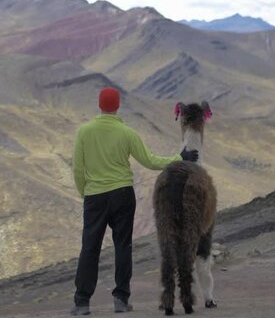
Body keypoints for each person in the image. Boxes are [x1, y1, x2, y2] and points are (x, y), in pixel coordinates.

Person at [70, 87, 198, 315]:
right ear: (117, 106)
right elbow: (150, 161)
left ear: (100, 105)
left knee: (90, 248)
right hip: (122, 195)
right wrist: (181, 158)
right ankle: (121, 299)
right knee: (122, 246)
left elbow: (78, 168)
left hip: (95, 197)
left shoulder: (84, 132)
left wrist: (85, 193)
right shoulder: (127, 133)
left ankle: (82, 303)